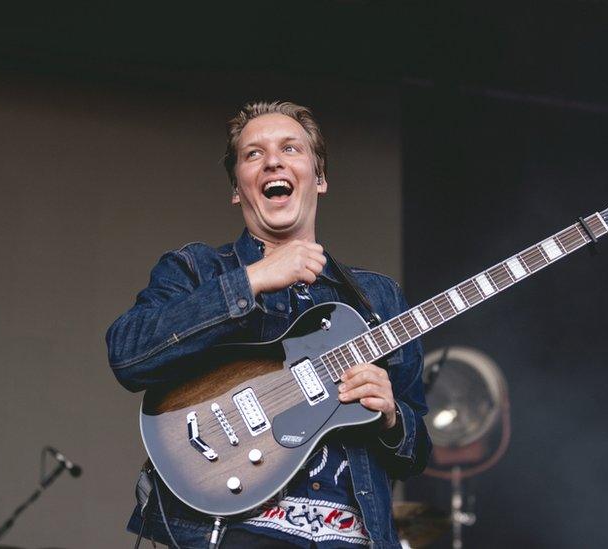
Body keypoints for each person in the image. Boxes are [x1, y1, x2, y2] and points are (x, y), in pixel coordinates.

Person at [106, 101, 431, 548]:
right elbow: (128, 352)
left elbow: (416, 454)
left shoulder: (378, 297)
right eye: (253, 154)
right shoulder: (197, 269)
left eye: (290, 148)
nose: (273, 160)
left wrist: (393, 417)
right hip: (236, 532)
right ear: (237, 189)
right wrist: (250, 280)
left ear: (319, 178)